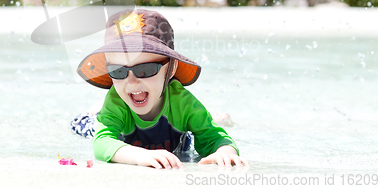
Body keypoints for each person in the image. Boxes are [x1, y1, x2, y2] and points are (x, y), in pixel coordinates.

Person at [72, 9, 249, 169]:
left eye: (145, 70)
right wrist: (138, 155)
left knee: (197, 133)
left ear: (170, 69)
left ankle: (214, 117)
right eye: (118, 71)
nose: (132, 81)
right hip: (108, 119)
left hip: (176, 131)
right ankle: (95, 109)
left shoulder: (184, 103)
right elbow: (102, 142)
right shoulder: (116, 101)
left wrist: (225, 152)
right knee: (83, 125)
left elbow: (216, 138)